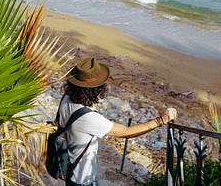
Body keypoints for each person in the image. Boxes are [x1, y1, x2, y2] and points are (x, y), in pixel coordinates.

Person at [58, 57, 177, 186]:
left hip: (69, 168)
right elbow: (126, 132)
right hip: (83, 179)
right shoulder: (88, 118)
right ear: (96, 89)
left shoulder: (66, 98)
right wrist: (161, 120)